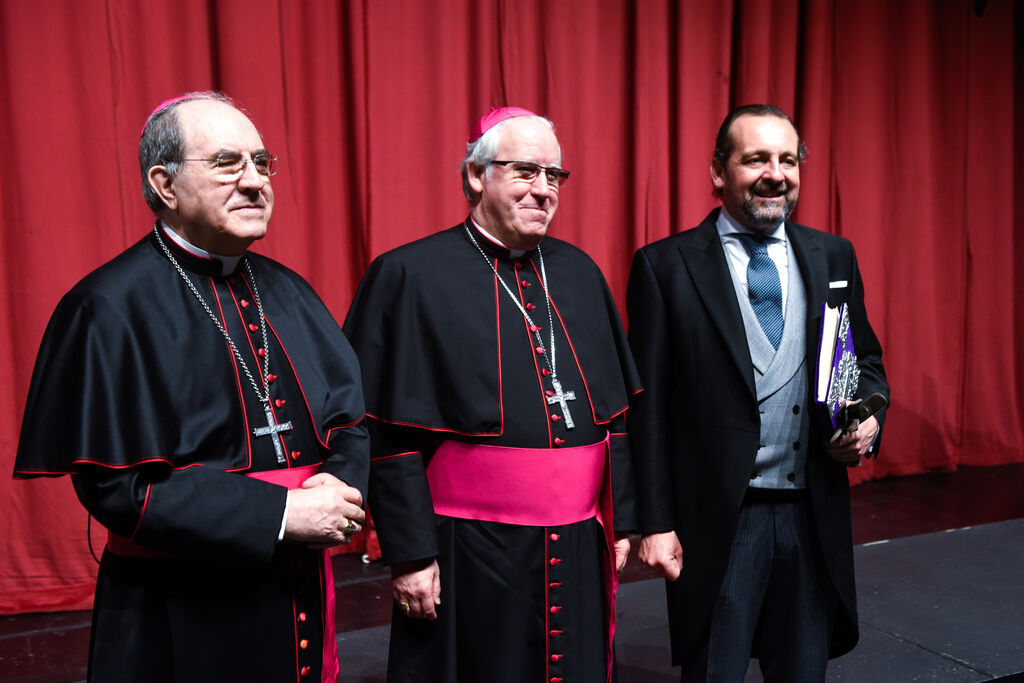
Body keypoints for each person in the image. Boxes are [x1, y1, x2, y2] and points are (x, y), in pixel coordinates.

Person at [14, 92, 369, 683]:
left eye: (262, 163)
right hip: (181, 609)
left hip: (298, 587)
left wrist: (341, 485)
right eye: (229, 163)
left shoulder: (290, 291)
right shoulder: (107, 307)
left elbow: (350, 422)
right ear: (165, 183)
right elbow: (118, 488)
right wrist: (281, 512)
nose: (255, 181)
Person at [343, 106, 641, 682]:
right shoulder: (408, 274)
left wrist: (620, 517)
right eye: (526, 172)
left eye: (554, 176)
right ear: (477, 176)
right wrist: (410, 553)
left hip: (577, 540)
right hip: (467, 549)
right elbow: (381, 427)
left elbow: (618, 410)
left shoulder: (579, 272)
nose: (544, 190)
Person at [626, 104, 889, 682]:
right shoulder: (664, 267)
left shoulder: (833, 255)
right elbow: (646, 413)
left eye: (787, 159)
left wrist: (868, 421)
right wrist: (654, 522)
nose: (776, 173)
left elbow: (862, 360)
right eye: (756, 159)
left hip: (811, 515)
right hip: (718, 521)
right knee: (714, 670)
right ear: (719, 171)